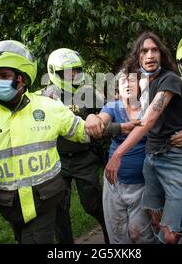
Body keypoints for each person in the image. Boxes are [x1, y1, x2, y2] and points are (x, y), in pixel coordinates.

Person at [0, 40, 99, 244]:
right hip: (9, 206)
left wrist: (108, 124)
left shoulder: (48, 106)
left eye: (4, 76)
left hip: (45, 200)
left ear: (21, 79)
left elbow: (81, 130)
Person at [102, 32, 182, 244]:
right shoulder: (142, 86)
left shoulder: (169, 80)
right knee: (155, 224)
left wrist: (118, 154)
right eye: (144, 51)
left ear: (162, 54)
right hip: (152, 161)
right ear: (138, 57)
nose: (150, 55)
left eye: (155, 50)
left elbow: (149, 121)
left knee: (170, 235)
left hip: (176, 160)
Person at [44, 48, 110, 244]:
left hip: (85, 158)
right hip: (57, 160)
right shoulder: (45, 97)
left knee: (93, 205)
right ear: (54, 72)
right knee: (59, 210)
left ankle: (112, 240)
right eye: (67, 72)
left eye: (76, 70)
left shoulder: (89, 92)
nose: (73, 75)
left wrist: (96, 117)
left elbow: (107, 115)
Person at [94, 69, 157, 244]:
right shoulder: (113, 107)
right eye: (122, 82)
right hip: (114, 183)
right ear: (118, 88)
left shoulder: (150, 109)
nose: (127, 85)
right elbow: (101, 121)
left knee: (141, 235)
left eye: (131, 81)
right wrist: (95, 119)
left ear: (140, 86)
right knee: (118, 235)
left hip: (142, 184)